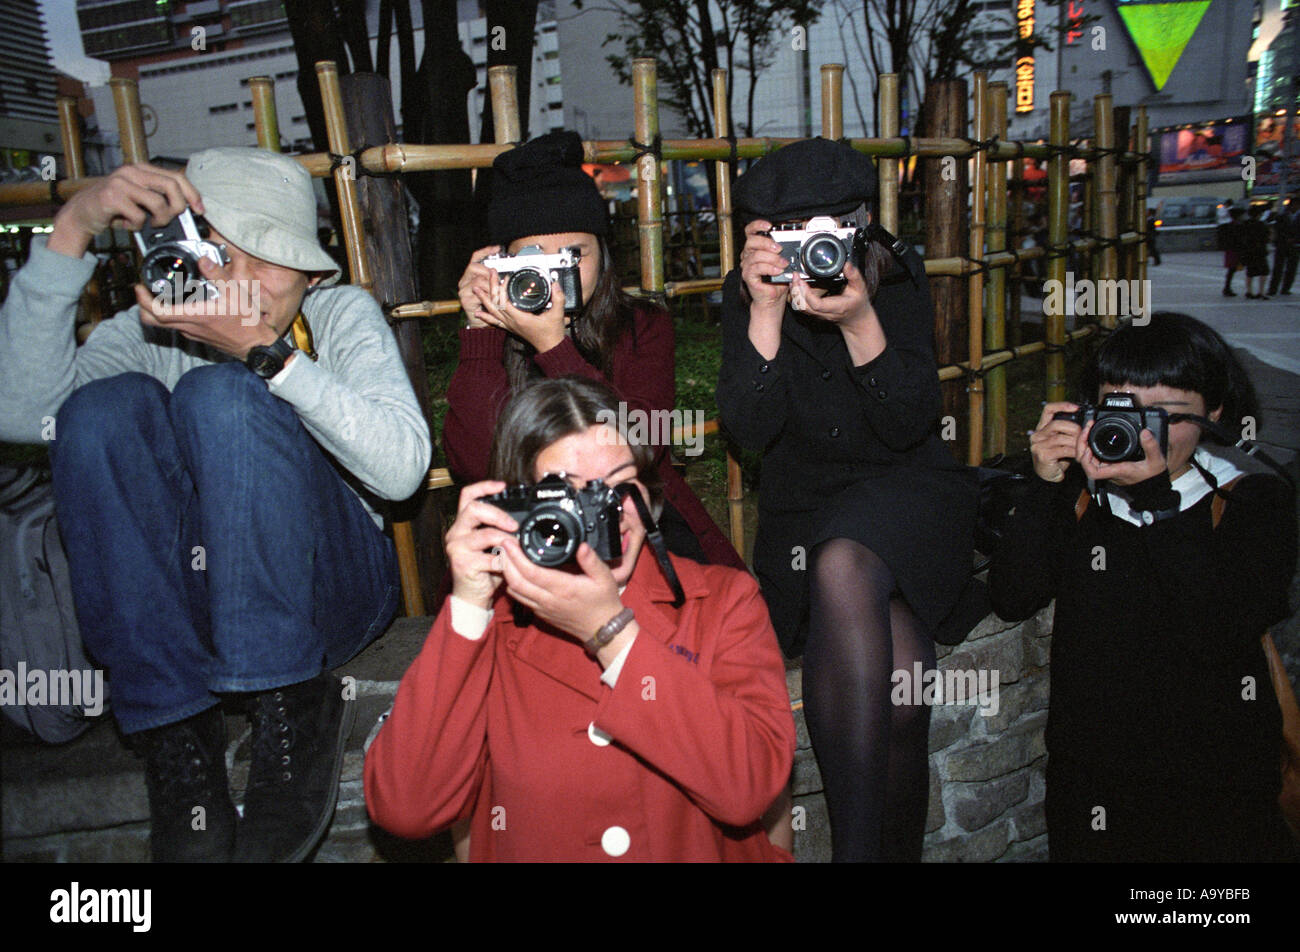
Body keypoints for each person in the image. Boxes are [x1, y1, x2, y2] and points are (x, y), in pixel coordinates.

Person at [0, 150, 431, 862]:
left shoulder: (337, 311)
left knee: (222, 394)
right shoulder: (151, 332)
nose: (241, 283)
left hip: (334, 586)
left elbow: (402, 470)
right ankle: (177, 734)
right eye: (221, 255)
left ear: (312, 272)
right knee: (98, 413)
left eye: (268, 259)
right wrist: (73, 224)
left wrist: (269, 357)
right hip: (199, 613)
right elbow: (22, 415)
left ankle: (290, 700)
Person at [364, 376, 796, 861]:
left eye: (618, 485)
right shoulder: (487, 630)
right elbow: (406, 807)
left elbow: (750, 787)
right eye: (570, 496)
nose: (608, 513)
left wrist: (612, 634)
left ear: (649, 493)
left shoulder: (720, 603)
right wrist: (467, 605)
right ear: (520, 512)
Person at [716, 138, 980, 862]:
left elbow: (908, 424)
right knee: (898, 685)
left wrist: (861, 324)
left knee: (843, 562)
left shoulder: (893, 277)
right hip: (807, 518)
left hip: (908, 494)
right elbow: (747, 431)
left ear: (861, 222)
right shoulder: (747, 296)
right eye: (790, 235)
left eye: (826, 233)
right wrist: (762, 315)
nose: (813, 251)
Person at [990, 313, 1297, 861]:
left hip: (1218, 789)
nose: (1144, 431)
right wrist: (1043, 486)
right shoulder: (1083, 500)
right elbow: (1012, 595)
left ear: (1215, 414)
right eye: (1125, 410)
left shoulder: (1253, 501)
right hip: (1092, 788)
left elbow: (1219, 634)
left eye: (1167, 414)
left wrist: (1158, 501)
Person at [444, 130, 743, 571]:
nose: (552, 271)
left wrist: (554, 346)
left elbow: (643, 441)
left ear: (602, 255)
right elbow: (474, 465)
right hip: (533, 534)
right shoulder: (494, 341)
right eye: (531, 255)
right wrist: (480, 332)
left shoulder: (642, 325)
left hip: (634, 527)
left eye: (573, 253)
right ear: (499, 265)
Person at [1269, 197, 1299, 296]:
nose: (1295, 207)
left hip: (1295, 245)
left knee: (1291, 268)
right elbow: (1278, 229)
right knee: (1278, 268)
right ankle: (1273, 289)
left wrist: (1295, 239)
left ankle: (1285, 288)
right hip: (1282, 244)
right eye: (1294, 205)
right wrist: (1285, 238)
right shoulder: (1281, 216)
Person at [1241, 204, 1271, 299]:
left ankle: (1249, 291)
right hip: (1260, 251)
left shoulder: (1245, 224)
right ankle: (1261, 292)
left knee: (1250, 272)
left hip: (1248, 251)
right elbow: (1266, 238)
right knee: (1264, 271)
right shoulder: (1262, 225)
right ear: (1259, 214)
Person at [1218, 206, 1244, 297]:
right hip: (1234, 250)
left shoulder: (1229, 226)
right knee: (1232, 269)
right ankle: (1227, 288)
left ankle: (1227, 287)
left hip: (1231, 250)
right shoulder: (1237, 226)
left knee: (1231, 270)